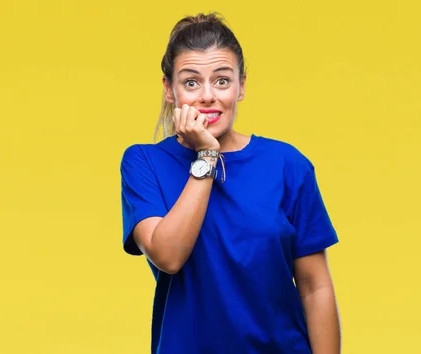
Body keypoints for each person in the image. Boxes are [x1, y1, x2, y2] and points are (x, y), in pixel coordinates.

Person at [119, 12, 341, 354]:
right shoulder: (144, 162)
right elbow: (168, 255)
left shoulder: (286, 164)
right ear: (169, 89)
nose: (208, 96)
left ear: (241, 87)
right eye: (191, 82)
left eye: (222, 80)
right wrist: (207, 155)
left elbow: (315, 286)